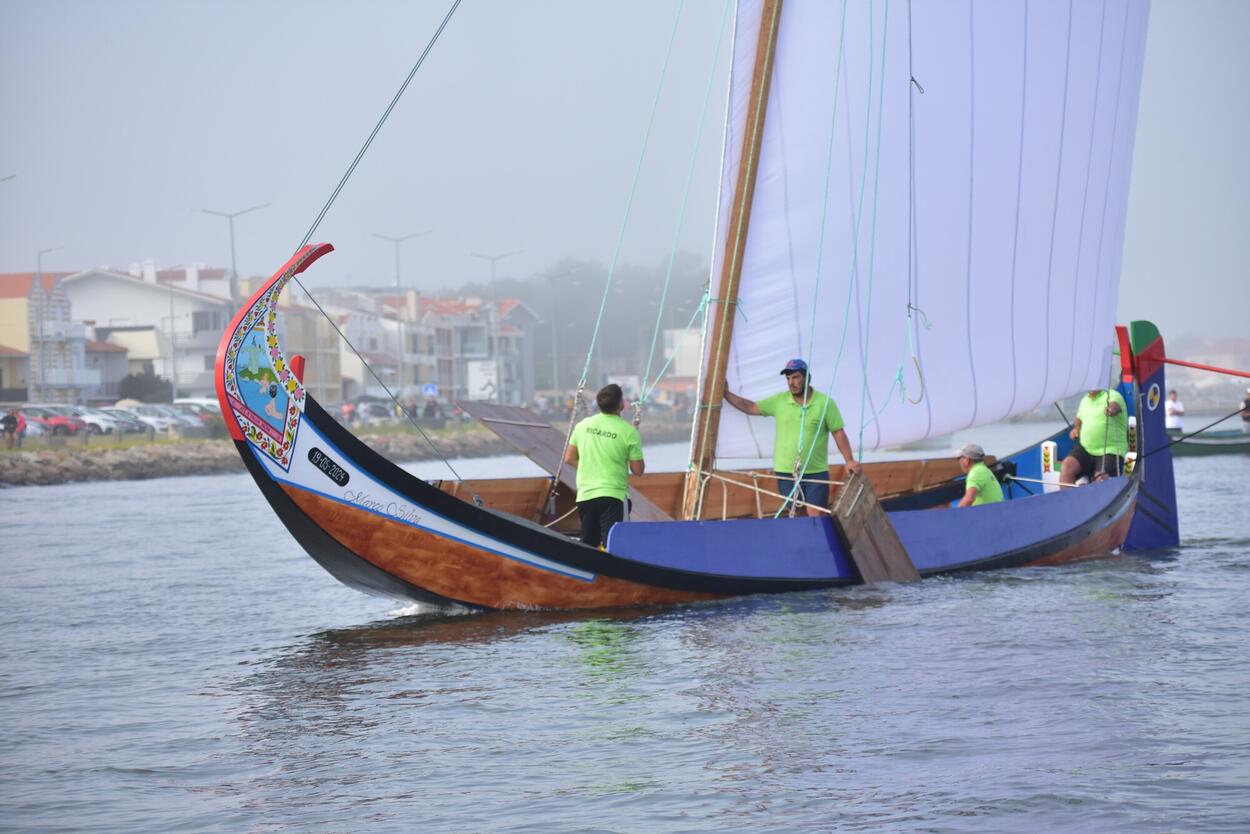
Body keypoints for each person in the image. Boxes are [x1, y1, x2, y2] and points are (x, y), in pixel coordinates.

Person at [724, 359, 862, 517]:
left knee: (815, 515)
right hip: (785, 471)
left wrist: (849, 460)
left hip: (815, 472)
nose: (791, 382)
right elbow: (749, 407)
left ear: (807, 378)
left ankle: (817, 541)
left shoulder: (825, 403)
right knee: (797, 514)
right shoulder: (779, 401)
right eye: (788, 378)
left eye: (795, 377)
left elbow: (838, 432)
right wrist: (725, 393)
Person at [563, 383, 645, 548]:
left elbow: (569, 458)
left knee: (588, 545)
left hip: (586, 495)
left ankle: (589, 573)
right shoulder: (629, 432)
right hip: (613, 495)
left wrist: (592, 467)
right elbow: (637, 471)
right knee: (614, 545)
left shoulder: (582, 426)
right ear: (621, 404)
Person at [1060, 388, 1128, 486]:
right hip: (1085, 448)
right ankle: (1067, 500)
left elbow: (1115, 406)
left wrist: (1111, 409)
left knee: (1101, 478)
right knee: (1067, 466)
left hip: (1110, 449)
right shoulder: (1084, 401)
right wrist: (1076, 429)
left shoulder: (1112, 395)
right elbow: (1078, 419)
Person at [956, 443, 1003, 507]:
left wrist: (955, 515)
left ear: (966, 460)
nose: (959, 462)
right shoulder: (984, 469)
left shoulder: (975, 472)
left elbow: (969, 499)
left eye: (959, 458)